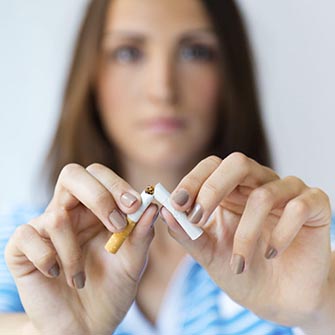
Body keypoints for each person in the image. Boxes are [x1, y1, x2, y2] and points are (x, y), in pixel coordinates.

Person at [1, 0, 334, 334]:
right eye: (128, 53)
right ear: (90, 74)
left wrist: (321, 309)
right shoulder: (29, 246)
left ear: (230, 71)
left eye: (195, 52)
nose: (163, 90)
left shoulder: (304, 237)